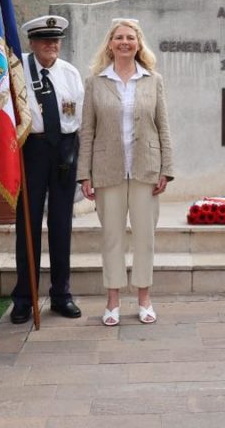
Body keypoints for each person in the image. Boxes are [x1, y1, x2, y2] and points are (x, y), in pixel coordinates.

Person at [77, 18, 174, 327]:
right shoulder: (95, 82)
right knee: (111, 238)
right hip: (108, 172)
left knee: (145, 238)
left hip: (146, 169)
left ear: (138, 43)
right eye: (118, 37)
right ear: (110, 43)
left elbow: (163, 127)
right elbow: (87, 131)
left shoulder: (153, 80)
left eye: (130, 37)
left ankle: (144, 299)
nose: (124, 42)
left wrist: (167, 169)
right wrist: (85, 174)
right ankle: (113, 301)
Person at [9, 15, 85, 324]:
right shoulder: (18, 73)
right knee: (27, 225)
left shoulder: (70, 73)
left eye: (55, 40)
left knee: (61, 225)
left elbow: (79, 119)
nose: (51, 45)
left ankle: (61, 294)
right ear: (32, 42)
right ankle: (24, 298)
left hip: (64, 150)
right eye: (44, 40)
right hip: (32, 150)